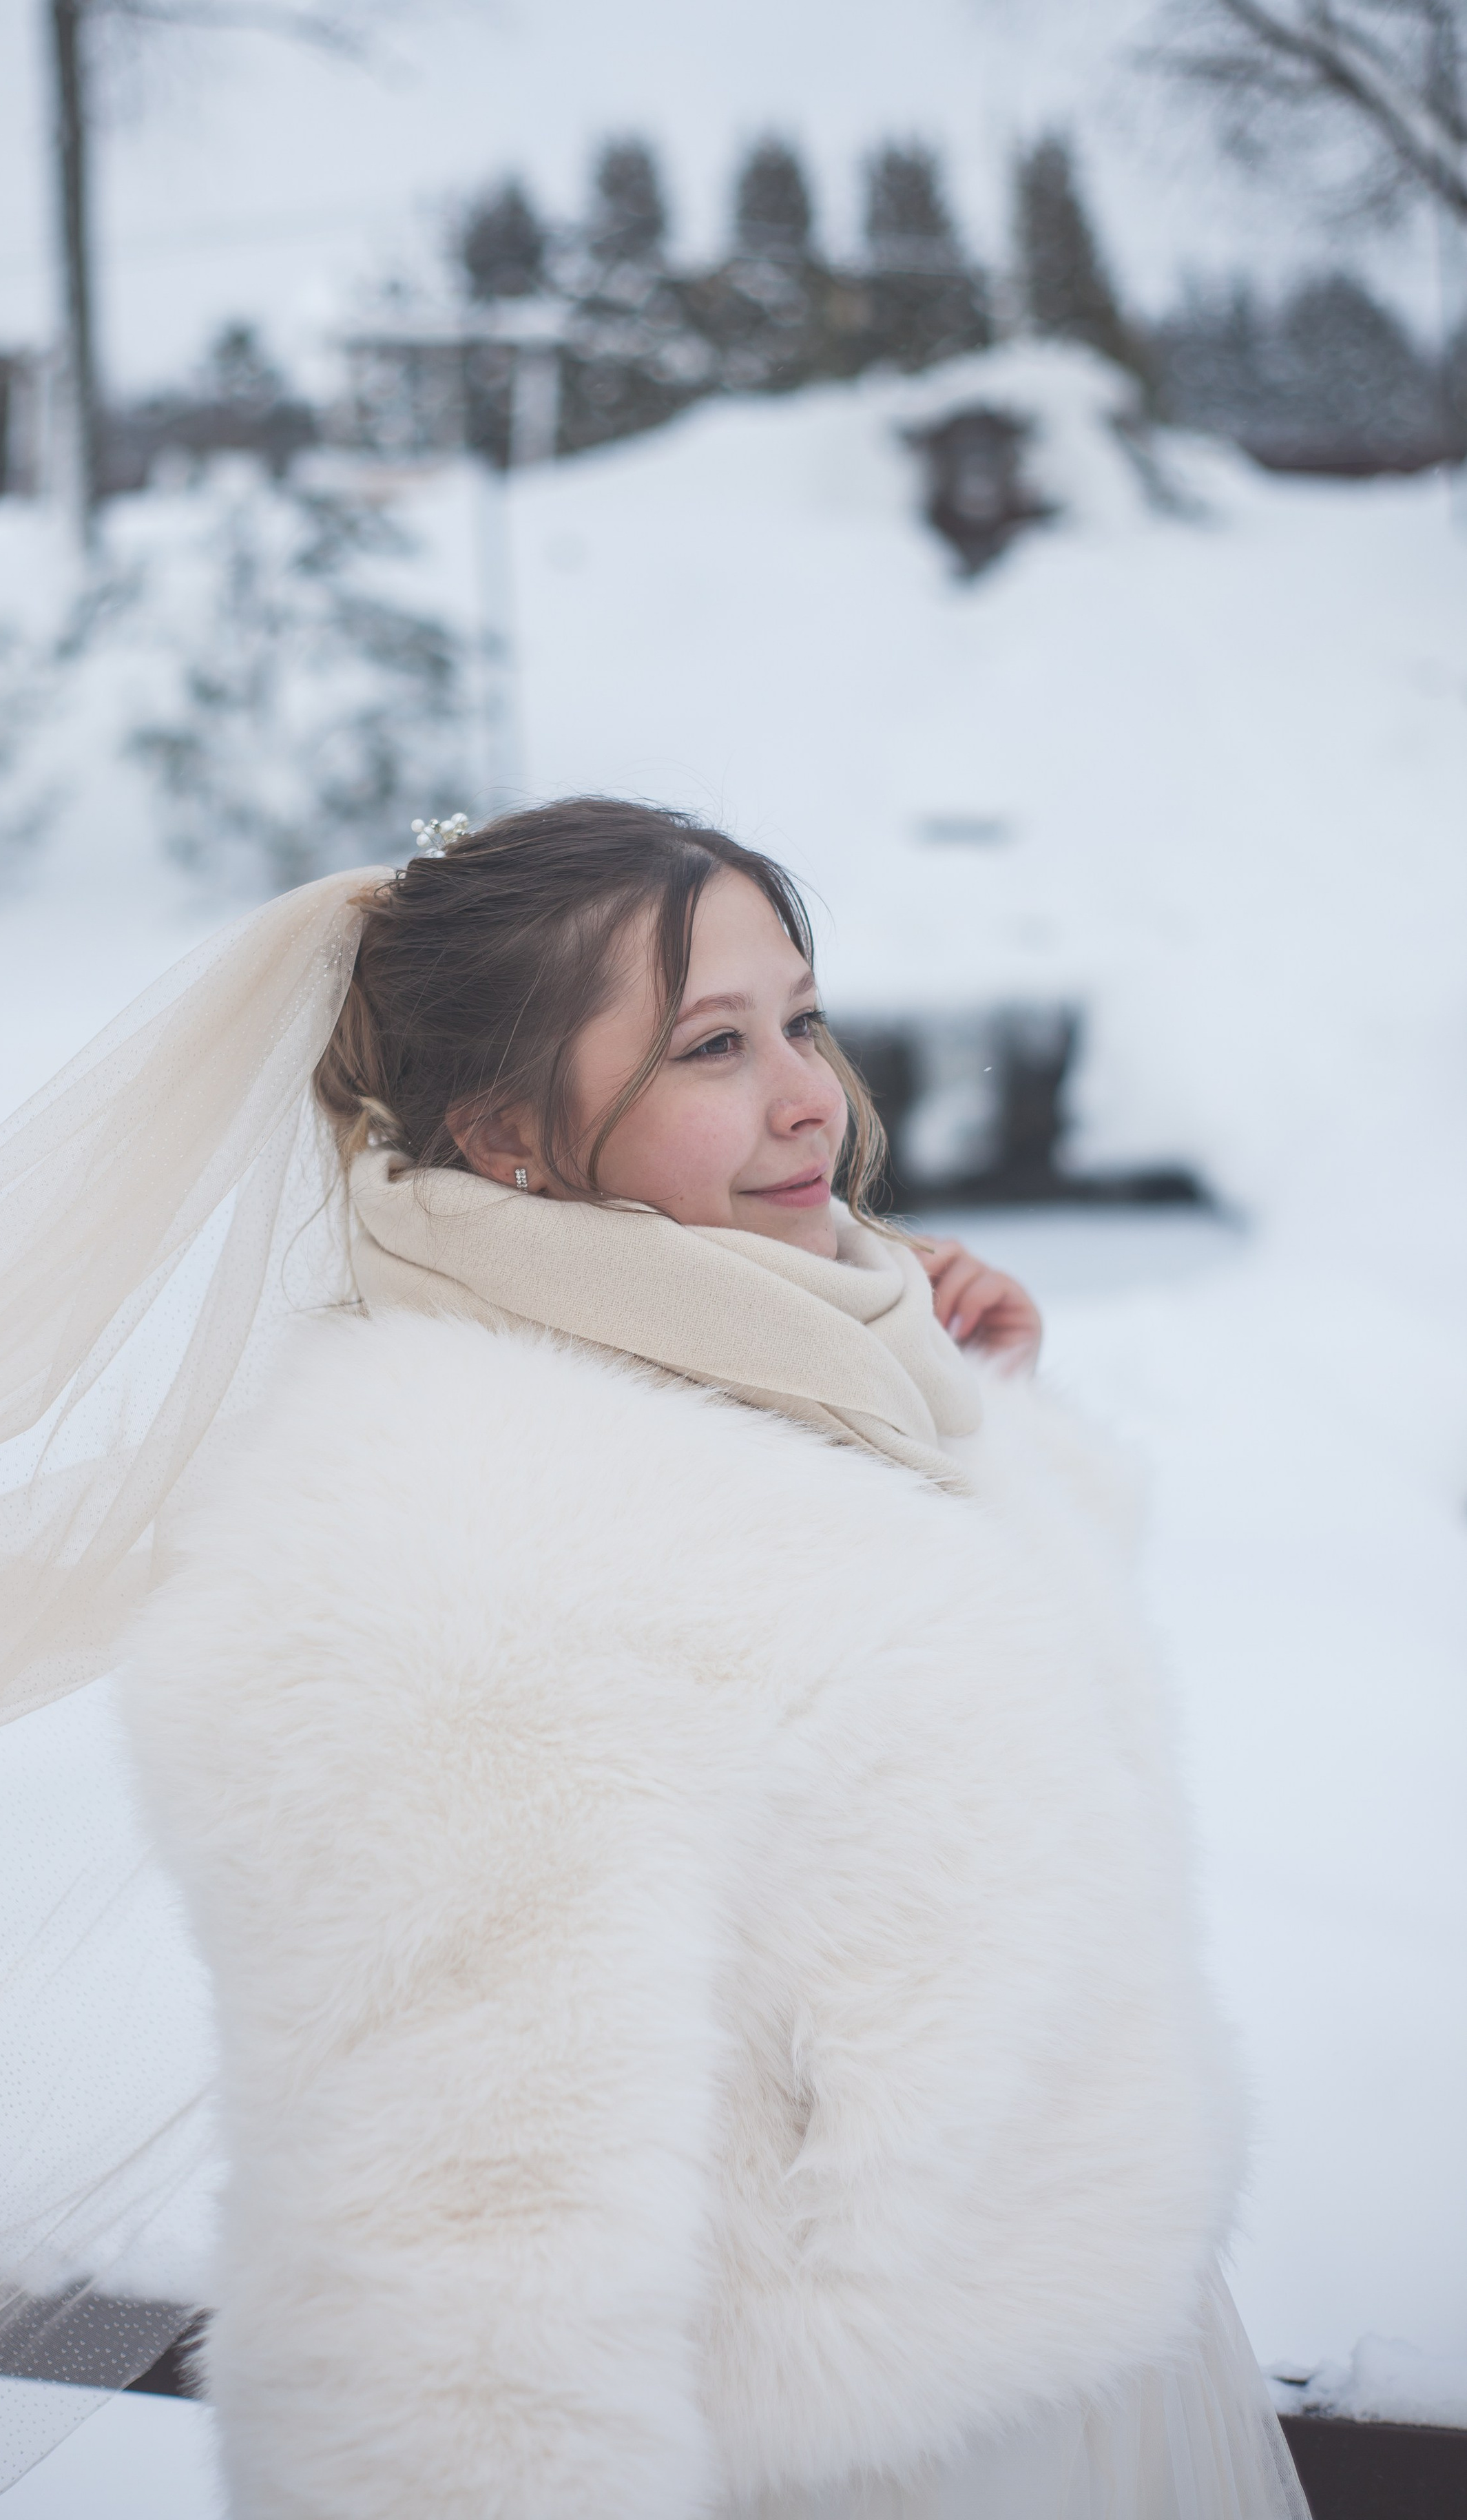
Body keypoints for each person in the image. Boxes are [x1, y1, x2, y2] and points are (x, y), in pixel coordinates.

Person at [113, 799, 1310, 2520]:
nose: (808, 1095)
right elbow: (439, 2279)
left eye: (800, 1020)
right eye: (710, 1047)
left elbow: (933, 1771)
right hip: (862, 2466)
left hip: (1090, 2394)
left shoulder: (780, 1355)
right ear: (506, 1132)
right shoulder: (430, 1557)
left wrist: (982, 1427)